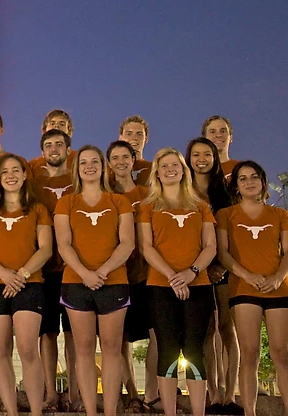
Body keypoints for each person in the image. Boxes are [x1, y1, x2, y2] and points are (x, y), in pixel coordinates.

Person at [54, 145, 134, 416]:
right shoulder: (66, 202)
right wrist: (85, 273)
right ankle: (90, 410)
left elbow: (127, 243)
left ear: (104, 167)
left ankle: (110, 410)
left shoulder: (118, 201)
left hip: (113, 282)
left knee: (112, 350)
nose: (89, 166)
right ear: (76, 169)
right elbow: (64, 244)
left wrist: (103, 271)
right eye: (83, 162)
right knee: (84, 350)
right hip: (77, 282)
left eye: (94, 162)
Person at [137, 147, 217, 416]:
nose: (170, 169)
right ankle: (169, 411)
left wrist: (190, 273)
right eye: (164, 165)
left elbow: (210, 247)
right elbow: (146, 247)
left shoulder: (201, 207)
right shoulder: (148, 208)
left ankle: (198, 411)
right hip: (160, 286)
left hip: (198, 284)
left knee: (195, 349)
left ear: (183, 170)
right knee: (168, 349)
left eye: (176, 164)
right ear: (156, 172)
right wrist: (173, 277)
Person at [217, 161, 288, 416]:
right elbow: (223, 253)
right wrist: (248, 276)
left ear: (263, 182)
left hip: (278, 290)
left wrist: (277, 277)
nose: (249, 182)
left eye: (254, 177)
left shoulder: (280, 216)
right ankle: (249, 412)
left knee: (281, 354)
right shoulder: (226, 215)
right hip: (243, 288)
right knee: (249, 353)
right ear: (236, 186)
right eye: (243, 179)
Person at [0, 154, 52, 416]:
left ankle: (36, 409)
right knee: (1, 347)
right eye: (5, 171)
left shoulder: (37, 209)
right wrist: (3, 274)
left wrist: (22, 275)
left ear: (24, 175)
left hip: (29, 284)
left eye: (16, 170)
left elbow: (46, 249)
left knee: (28, 348)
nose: (11, 175)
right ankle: (11, 409)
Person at [185, 137, 239, 414]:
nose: (202, 159)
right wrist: (202, 267)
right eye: (196, 155)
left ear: (215, 158)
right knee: (205, 332)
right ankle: (213, 393)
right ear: (189, 159)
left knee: (227, 329)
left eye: (207, 154)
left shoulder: (226, 193)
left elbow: (234, 234)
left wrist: (223, 265)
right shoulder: (183, 192)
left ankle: (231, 393)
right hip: (196, 269)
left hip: (225, 268)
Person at [29, 129, 78, 411]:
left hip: (74, 269)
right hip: (43, 270)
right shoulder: (34, 184)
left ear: (68, 149)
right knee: (47, 332)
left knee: (74, 333)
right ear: (43, 151)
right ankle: (50, 391)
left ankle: (75, 391)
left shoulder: (78, 180)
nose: (54, 148)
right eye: (48, 145)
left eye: (59, 144)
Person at [106, 140, 155, 414]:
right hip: (119, 273)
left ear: (134, 160)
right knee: (119, 339)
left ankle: (151, 393)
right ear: (109, 163)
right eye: (115, 157)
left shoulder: (148, 194)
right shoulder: (104, 194)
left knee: (157, 335)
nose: (121, 161)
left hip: (148, 273)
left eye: (126, 156)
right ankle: (132, 394)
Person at [28, 109, 75, 176]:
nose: (56, 126)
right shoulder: (33, 166)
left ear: (69, 130)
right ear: (45, 129)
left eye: (62, 124)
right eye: (52, 123)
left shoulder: (79, 160)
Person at [118, 116, 152, 186]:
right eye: (129, 134)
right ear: (121, 138)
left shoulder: (154, 169)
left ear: (146, 139)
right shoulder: (109, 169)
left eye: (139, 134)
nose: (134, 138)